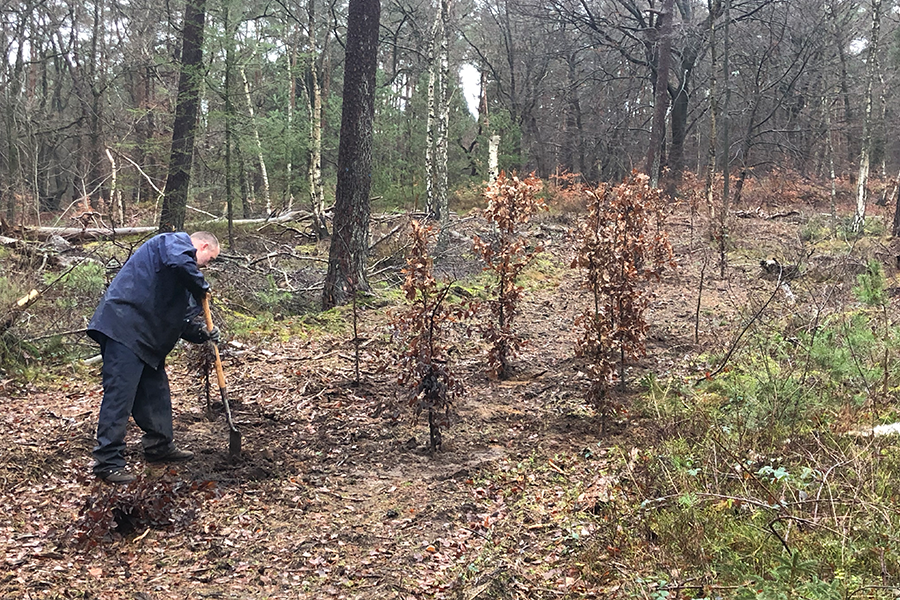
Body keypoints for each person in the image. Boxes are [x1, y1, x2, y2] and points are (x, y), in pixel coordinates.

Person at [87, 231, 221, 483]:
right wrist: (202, 286)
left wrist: (203, 333)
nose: (206, 266)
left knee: (155, 392)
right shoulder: (173, 243)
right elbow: (181, 263)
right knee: (120, 395)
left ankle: (159, 446)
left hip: (147, 339)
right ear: (202, 246)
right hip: (124, 327)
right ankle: (108, 462)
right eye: (209, 259)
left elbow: (180, 321)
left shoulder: (181, 277)